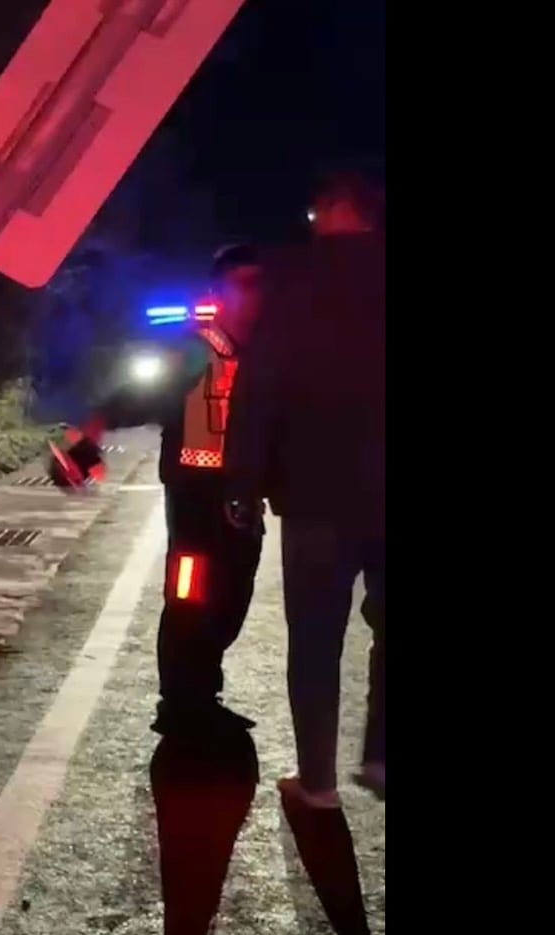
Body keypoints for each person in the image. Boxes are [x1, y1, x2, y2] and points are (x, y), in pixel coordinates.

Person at [52, 243, 266, 737]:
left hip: (244, 497)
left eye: (262, 285)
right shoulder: (195, 349)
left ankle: (203, 687)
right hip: (194, 496)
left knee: (236, 592)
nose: (256, 296)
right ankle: (182, 698)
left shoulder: (268, 353)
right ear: (220, 291)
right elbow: (132, 398)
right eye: (246, 284)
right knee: (190, 592)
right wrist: (87, 442)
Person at [223, 171, 386, 808]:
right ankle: (380, 752)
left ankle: (316, 782)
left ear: (336, 210)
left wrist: (242, 480)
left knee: (315, 636)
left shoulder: (293, 278)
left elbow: (260, 384)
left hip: (317, 491)